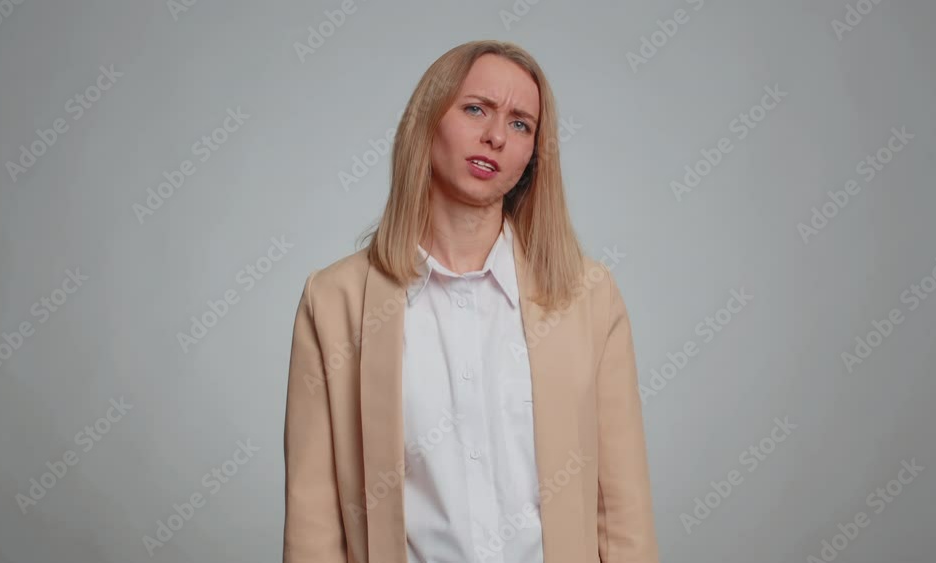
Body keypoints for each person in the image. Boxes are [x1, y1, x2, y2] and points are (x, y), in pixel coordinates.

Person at [283, 39, 660, 563]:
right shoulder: (333, 301)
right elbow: (313, 522)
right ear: (427, 121)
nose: (496, 136)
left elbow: (622, 514)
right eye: (476, 109)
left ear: (533, 155)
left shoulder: (589, 297)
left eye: (521, 124)